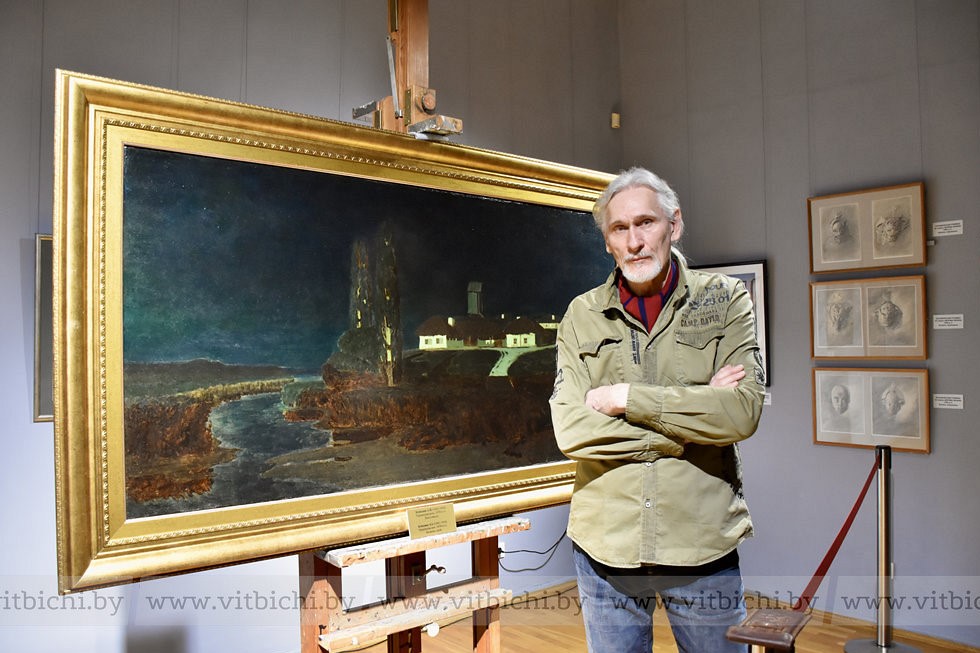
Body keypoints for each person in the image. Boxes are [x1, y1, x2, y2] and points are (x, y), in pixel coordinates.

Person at [550, 167, 765, 653]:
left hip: (701, 545)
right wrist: (689, 421)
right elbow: (570, 429)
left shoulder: (725, 299)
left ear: (675, 224)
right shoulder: (582, 315)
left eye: (645, 223)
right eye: (619, 228)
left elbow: (741, 413)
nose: (635, 241)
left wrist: (626, 399)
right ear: (607, 241)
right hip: (606, 549)